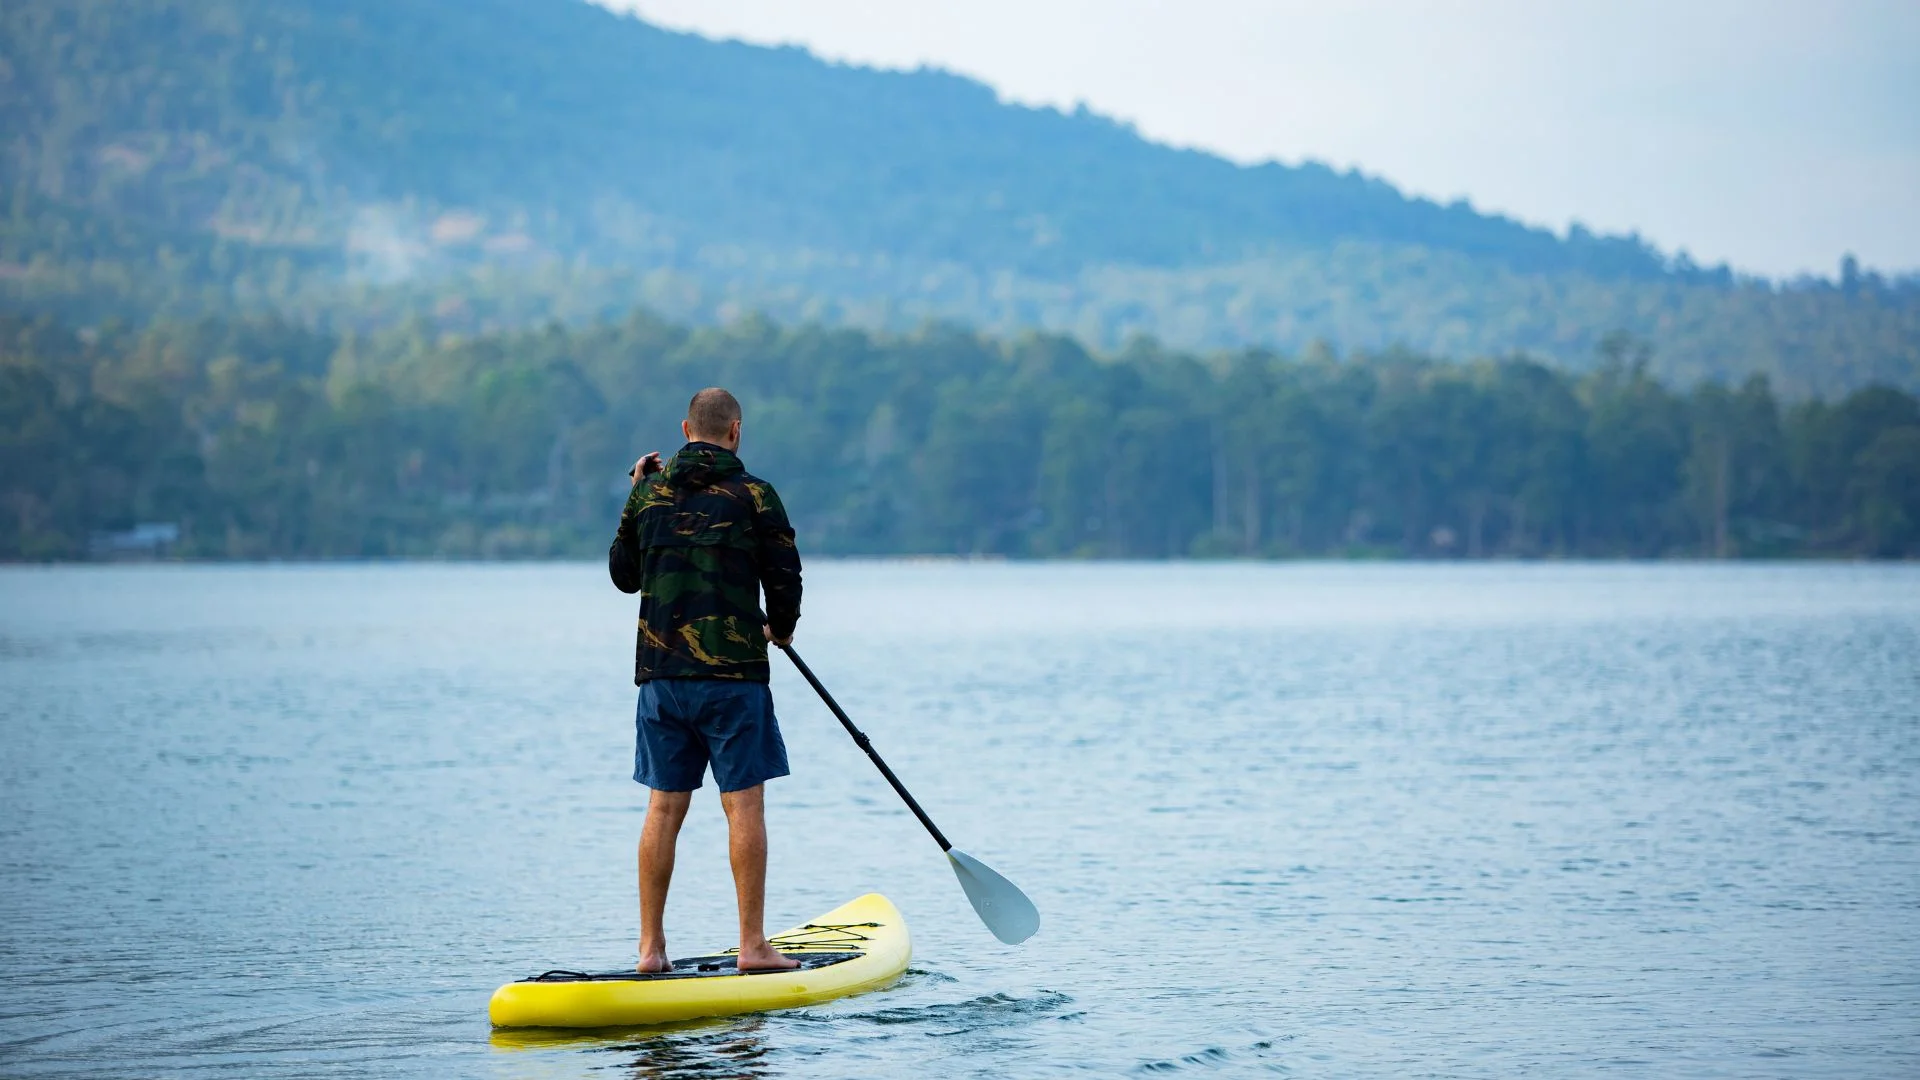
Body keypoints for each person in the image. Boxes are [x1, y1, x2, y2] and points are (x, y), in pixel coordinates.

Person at [609, 387, 804, 973]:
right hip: (734, 677)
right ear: (735, 432)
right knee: (743, 808)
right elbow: (785, 575)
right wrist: (783, 627)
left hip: (662, 679)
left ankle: (650, 951)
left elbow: (623, 574)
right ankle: (752, 947)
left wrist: (636, 492)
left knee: (663, 810)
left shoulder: (649, 493)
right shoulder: (755, 496)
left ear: (686, 429)